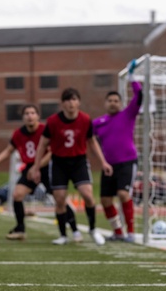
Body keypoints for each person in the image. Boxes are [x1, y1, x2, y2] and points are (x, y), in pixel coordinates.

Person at [29, 88, 113, 245]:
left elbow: (92, 142)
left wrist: (103, 162)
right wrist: (36, 167)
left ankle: (93, 230)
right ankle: (63, 235)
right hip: (59, 162)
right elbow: (42, 145)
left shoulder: (85, 119)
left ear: (78, 102)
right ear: (62, 103)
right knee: (60, 199)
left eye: (74, 99)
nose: (71, 103)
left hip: (79, 161)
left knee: (88, 195)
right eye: (67, 100)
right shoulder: (53, 121)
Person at [0, 104, 54, 241]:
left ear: (38, 116)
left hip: (46, 166)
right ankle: (20, 229)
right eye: (27, 113)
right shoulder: (18, 133)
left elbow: (51, 152)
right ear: (23, 117)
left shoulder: (44, 130)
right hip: (29, 168)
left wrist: (37, 167)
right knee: (17, 194)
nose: (30, 116)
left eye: (33, 113)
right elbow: (9, 150)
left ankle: (73, 228)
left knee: (59, 197)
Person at [92, 77, 143, 242]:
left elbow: (140, 96)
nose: (113, 103)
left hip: (127, 162)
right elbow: (87, 139)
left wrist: (133, 80)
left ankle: (131, 232)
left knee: (123, 194)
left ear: (120, 103)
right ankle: (118, 232)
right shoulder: (98, 123)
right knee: (105, 200)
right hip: (108, 165)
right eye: (110, 101)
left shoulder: (127, 114)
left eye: (116, 100)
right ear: (105, 103)